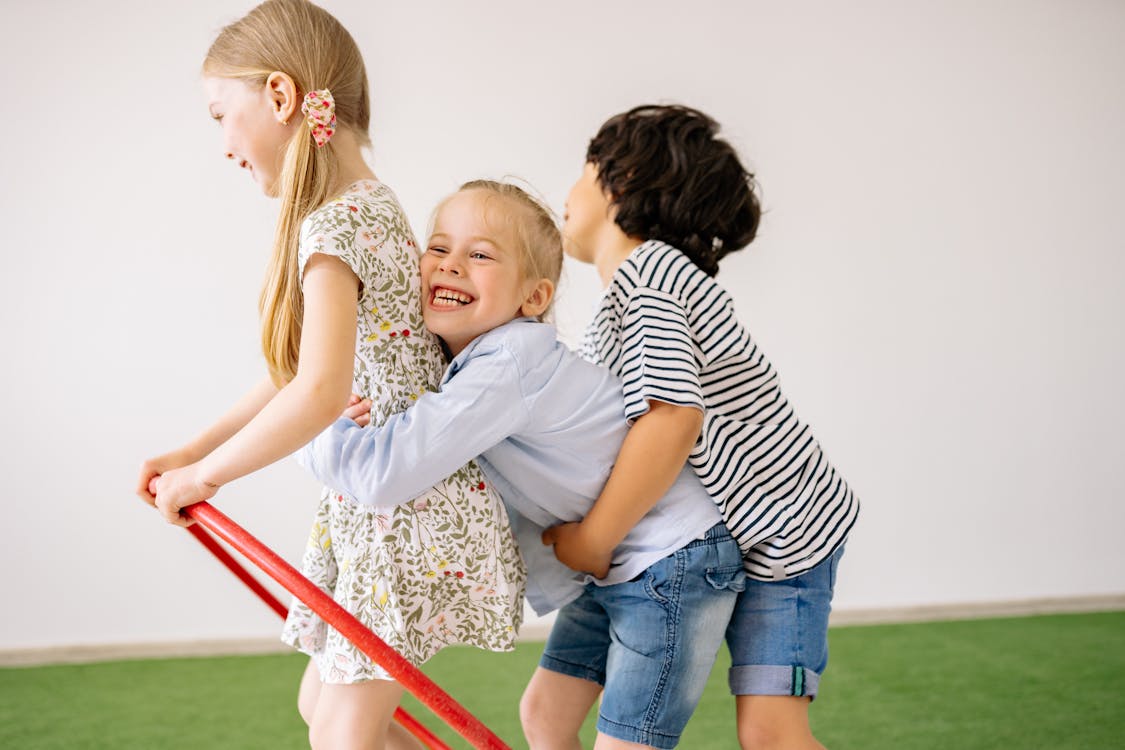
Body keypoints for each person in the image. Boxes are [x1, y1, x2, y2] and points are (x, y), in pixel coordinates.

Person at [133, 3, 524, 748]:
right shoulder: (370, 203)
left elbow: (316, 394)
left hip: (400, 517)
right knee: (328, 707)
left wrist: (208, 475)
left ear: (281, 98)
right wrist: (191, 452)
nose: (221, 144)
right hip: (396, 506)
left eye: (222, 115)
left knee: (342, 734)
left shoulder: (333, 226)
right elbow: (296, 372)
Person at [298, 179, 746, 750]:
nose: (451, 265)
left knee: (628, 741)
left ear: (533, 299)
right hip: (614, 562)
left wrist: (321, 428)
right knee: (544, 714)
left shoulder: (508, 361)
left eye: (480, 255)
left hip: (673, 558)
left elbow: (385, 473)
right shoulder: (476, 360)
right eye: (438, 248)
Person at [546, 104, 861, 750]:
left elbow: (672, 420)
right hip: (724, 539)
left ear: (621, 177)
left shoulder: (651, 278)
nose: (566, 195)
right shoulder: (629, 296)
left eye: (579, 173)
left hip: (785, 539)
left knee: (772, 734)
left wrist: (593, 539)